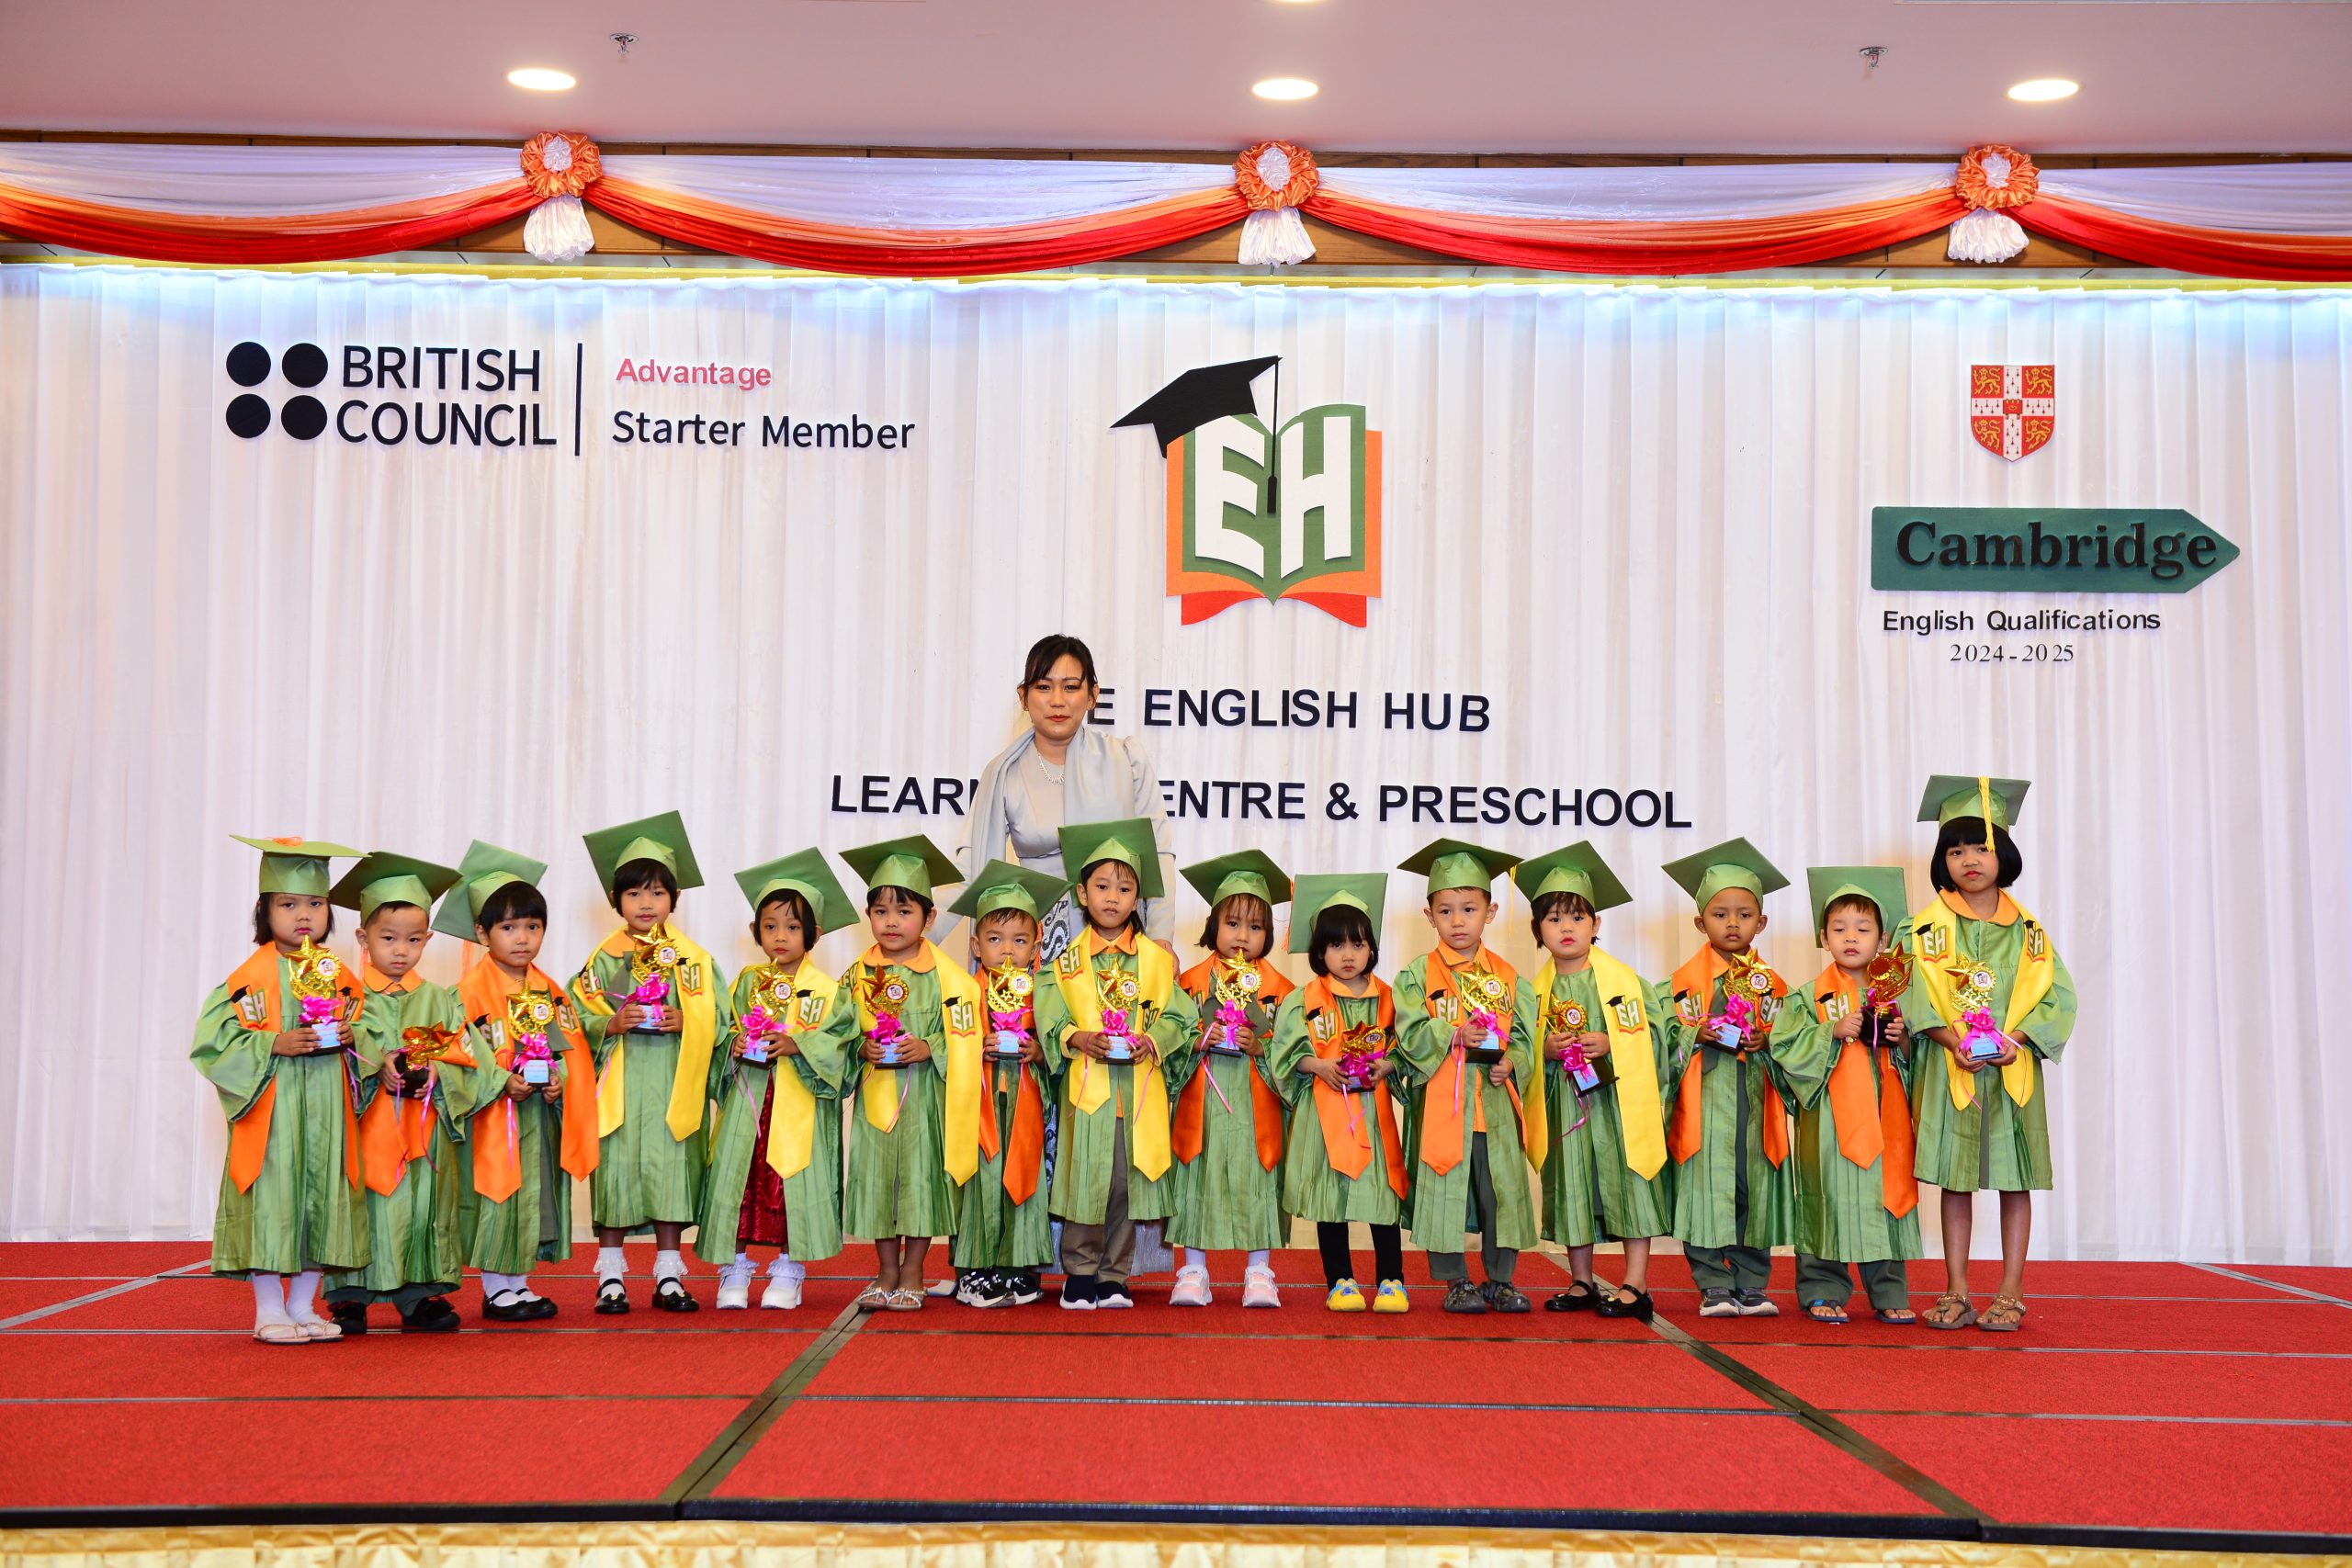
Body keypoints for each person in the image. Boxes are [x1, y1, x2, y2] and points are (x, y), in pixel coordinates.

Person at [1906, 775, 2076, 1335]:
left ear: (2004, 853)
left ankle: (2011, 1290)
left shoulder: (2029, 933)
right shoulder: (1924, 928)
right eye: (1955, 850)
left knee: (2014, 1177)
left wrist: (2016, 1041)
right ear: (1942, 860)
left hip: (2011, 1067)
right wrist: (1951, 1042)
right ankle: (1956, 1289)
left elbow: (2057, 996)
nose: (1969, 860)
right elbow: (1910, 992)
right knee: (1954, 1180)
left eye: (1981, 847)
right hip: (1950, 1065)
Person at [192, 836, 372, 1345]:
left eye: (316, 903)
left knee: (324, 1203)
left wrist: (357, 1036)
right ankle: (268, 1308)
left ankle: (302, 1305)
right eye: (288, 904)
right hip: (274, 1114)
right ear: (264, 911)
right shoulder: (249, 979)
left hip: (329, 1112)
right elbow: (213, 1044)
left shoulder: (338, 976)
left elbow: (373, 1034)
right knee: (274, 1203)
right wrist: (273, 1043)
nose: (304, 915)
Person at [569, 811, 734, 1314]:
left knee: (670, 1173)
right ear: (615, 899)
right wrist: (610, 1023)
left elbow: (722, 1020)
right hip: (619, 1087)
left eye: (658, 893)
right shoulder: (604, 958)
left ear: (674, 899)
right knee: (616, 1173)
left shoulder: (693, 959)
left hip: (671, 1084)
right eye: (635, 893)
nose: (646, 903)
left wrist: (688, 1020)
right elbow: (575, 1016)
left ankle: (668, 1274)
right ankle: (610, 1275)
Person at [326, 852, 496, 1334]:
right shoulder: (346, 998)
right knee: (361, 1203)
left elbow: (474, 1059)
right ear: (362, 938)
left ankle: (420, 1294)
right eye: (388, 938)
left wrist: (439, 1073)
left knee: (424, 1205)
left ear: (428, 939)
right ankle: (350, 1295)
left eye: (414, 939)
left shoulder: (441, 999)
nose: (401, 950)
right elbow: (331, 1057)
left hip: (424, 1130)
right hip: (366, 1125)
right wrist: (372, 1068)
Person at [1035, 818, 1200, 1309]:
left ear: (1137, 900)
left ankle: (1114, 1274)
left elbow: (1181, 1018)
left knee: (1128, 1187)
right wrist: (1076, 1036)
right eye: (1102, 886)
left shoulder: (1156, 960)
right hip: (1088, 1092)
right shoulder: (1067, 961)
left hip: (1139, 1093)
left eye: (1124, 889)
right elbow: (1050, 1014)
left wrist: (1154, 1039)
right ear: (1082, 894)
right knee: (1085, 1180)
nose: (1112, 897)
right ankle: (1079, 1272)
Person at [1660, 838, 1828, 1318]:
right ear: (1700, 923)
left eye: (1744, 914)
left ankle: (1752, 1284)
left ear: (1762, 922)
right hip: (1705, 1108)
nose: (1732, 923)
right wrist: (1694, 1032)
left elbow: (1796, 1042)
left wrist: (1768, 1041)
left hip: (1756, 1107)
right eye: (1720, 914)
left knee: (1754, 1190)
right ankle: (1713, 1282)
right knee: (1706, 1190)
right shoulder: (1679, 986)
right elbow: (1658, 1042)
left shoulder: (1775, 988)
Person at [823, 834, 987, 1313]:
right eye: (881, 911)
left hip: (925, 1100)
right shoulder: (855, 976)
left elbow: (968, 1036)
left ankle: (914, 1270)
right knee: (877, 1182)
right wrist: (861, 1047)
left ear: (929, 918)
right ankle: (885, 1271)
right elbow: (835, 1032)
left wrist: (929, 1046)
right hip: (876, 1096)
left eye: (904, 911)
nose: (891, 921)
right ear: (868, 916)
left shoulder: (950, 978)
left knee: (920, 1183)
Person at [1511, 843, 1672, 1323]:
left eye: (1577, 918)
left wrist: (1611, 1042)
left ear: (1596, 924)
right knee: (1572, 1183)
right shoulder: (1532, 993)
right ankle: (1581, 1280)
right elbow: (1518, 1045)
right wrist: (1544, 1049)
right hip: (1565, 1102)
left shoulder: (1626, 982)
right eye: (1554, 919)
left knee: (1629, 1181)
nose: (1566, 927)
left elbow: (1658, 1038)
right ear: (1538, 930)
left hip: (1619, 1101)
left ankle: (1635, 1283)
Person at [444, 841, 596, 1323]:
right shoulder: (466, 993)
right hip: (493, 1116)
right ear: (482, 932)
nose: (523, 938)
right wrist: (498, 1081)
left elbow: (571, 1051)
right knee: (497, 1195)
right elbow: (457, 1054)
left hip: (536, 1115)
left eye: (533, 926)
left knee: (533, 1195)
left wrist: (558, 1082)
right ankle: (495, 1288)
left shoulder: (550, 991)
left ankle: (519, 1282)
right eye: (508, 928)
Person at [700, 850, 857, 1311]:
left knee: (791, 1185)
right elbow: (721, 1029)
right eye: (770, 926)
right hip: (748, 1100)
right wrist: (733, 1041)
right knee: (739, 1181)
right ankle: (734, 1266)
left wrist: (797, 1044)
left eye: (792, 926)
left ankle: (789, 1269)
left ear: (814, 934)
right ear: (755, 931)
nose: (781, 936)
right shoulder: (747, 982)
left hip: (798, 1102)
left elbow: (841, 1044)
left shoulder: (828, 990)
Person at [1394, 839, 1543, 1315]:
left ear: (1490, 912)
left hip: (1494, 1100)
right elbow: (1408, 1033)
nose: (1458, 921)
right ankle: (1456, 1280)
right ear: (1429, 915)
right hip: (1446, 1100)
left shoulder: (1509, 977)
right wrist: (1452, 1033)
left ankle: (1501, 1280)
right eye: (1446, 911)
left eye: (1469, 909)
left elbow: (1526, 1037)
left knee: (1501, 1190)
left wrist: (1513, 1062)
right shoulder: (1416, 975)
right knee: (1446, 1188)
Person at [1774, 867, 1922, 1326]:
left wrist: (1902, 1039)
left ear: (1883, 940)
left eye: (1863, 929)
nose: (1851, 938)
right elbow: (1784, 1049)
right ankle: (1822, 1287)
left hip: (1885, 1116)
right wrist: (1829, 1032)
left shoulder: (1899, 995)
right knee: (1828, 1199)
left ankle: (1889, 1290)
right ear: (1823, 938)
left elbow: (1922, 1058)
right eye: (1839, 929)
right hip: (1829, 1123)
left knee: (1887, 1196)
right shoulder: (1807, 998)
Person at [1266, 874, 1410, 1314]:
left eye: (1358, 944)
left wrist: (1388, 1065)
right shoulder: (1303, 999)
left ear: (1371, 948)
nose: (1348, 955)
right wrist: (1319, 1066)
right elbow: (1284, 1053)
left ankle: (1391, 1280)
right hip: (1325, 1114)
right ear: (1319, 950)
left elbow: (1406, 1048)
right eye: (1335, 945)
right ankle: (1340, 1281)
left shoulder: (1390, 998)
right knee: (1331, 1200)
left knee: (1381, 1197)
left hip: (1372, 1113)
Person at [1169, 851, 1296, 1309]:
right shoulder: (1190, 983)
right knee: (1197, 1176)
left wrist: (1261, 1047)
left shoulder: (1282, 991)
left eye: (1255, 927)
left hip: (1255, 1100)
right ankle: (1194, 1270)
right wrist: (1198, 1039)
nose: (1243, 935)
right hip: (1202, 1099)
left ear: (1269, 934)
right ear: (1213, 925)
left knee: (1257, 1178)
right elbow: (1172, 1039)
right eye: (1233, 923)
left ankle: (1259, 1271)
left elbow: (1294, 1052)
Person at [944, 859, 1068, 1308]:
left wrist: (1040, 1052)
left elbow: (1058, 1040)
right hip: (977, 1104)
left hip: (1026, 1100)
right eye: (995, 939)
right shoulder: (963, 991)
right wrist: (976, 1046)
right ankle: (973, 1269)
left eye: (1019, 940)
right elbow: (947, 1045)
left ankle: (1017, 1265)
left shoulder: (1043, 991)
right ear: (976, 945)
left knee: (1024, 1175)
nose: (1007, 951)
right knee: (980, 1181)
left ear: (1036, 947)